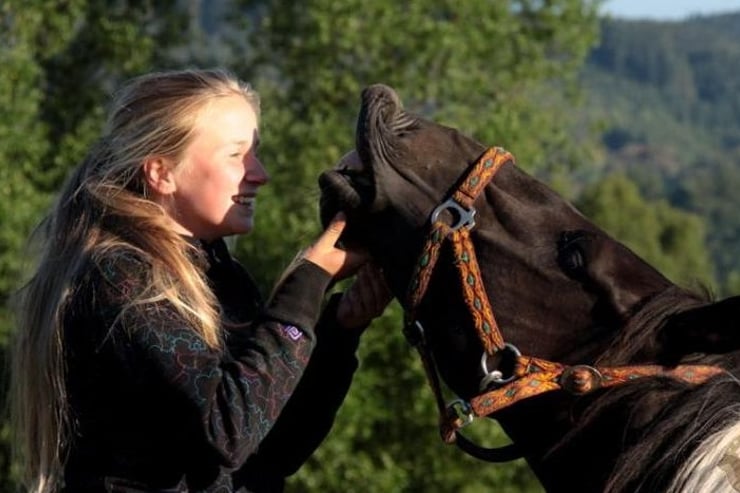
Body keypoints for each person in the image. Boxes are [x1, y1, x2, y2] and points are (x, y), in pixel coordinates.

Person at [10, 68, 392, 493]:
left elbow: (275, 447)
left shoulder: (220, 276)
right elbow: (226, 432)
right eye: (236, 155)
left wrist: (340, 331)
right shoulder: (121, 275)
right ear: (161, 173)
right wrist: (307, 283)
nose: (259, 173)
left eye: (255, 153)